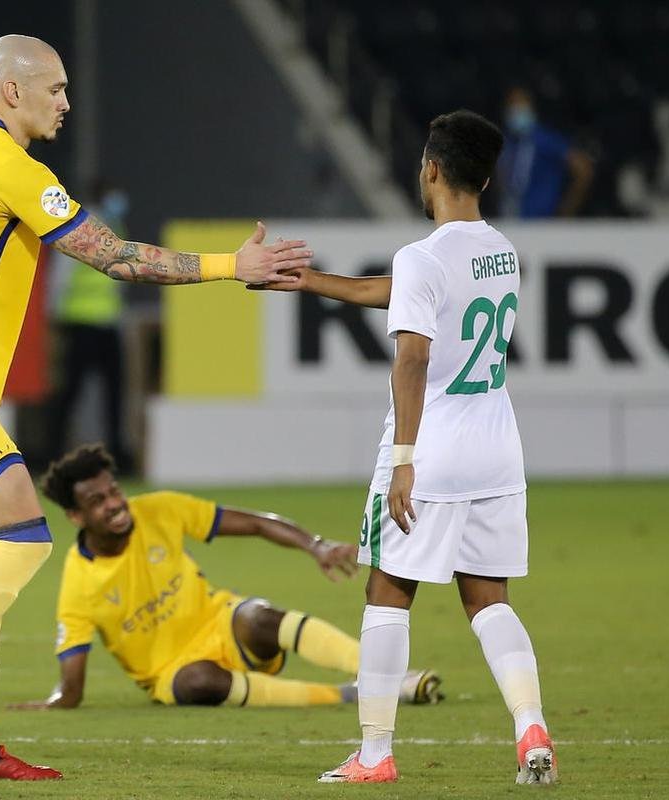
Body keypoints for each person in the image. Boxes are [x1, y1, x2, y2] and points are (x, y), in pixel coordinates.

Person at [0, 34, 312, 782]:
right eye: (56, 89)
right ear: (12, 92)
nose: (66, 103)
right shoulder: (12, 167)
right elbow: (116, 256)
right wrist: (237, 266)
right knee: (29, 537)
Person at [257, 110, 556, 785]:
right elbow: (405, 297)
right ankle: (530, 725)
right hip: (496, 450)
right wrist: (309, 283)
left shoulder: (422, 255)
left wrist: (404, 459)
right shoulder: (500, 250)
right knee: (489, 600)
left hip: (433, 450)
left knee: (388, 590)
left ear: (430, 168)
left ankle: (374, 754)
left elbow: (413, 356)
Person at [16, 444, 443, 711]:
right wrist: (53, 702)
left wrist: (314, 545)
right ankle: (348, 696)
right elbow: (71, 686)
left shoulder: (158, 509)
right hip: (175, 672)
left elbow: (253, 522)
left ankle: (383, 677)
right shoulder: (78, 584)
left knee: (259, 616)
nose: (114, 504)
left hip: (223, 624)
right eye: (97, 501)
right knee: (200, 681)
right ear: (76, 516)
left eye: (113, 491)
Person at [46, 180, 134, 472]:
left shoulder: (115, 226)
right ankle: (52, 454)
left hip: (107, 324)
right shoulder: (84, 228)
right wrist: (54, 317)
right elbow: (60, 277)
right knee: (71, 394)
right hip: (80, 324)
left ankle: (117, 457)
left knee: (113, 395)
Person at [496, 86, 593, 218]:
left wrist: (567, 211)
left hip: (542, 222)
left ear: (531, 107)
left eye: (521, 103)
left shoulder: (544, 139)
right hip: (511, 220)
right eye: (512, 104)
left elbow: (583, 169)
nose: (516, 109)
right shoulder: (506, 143)